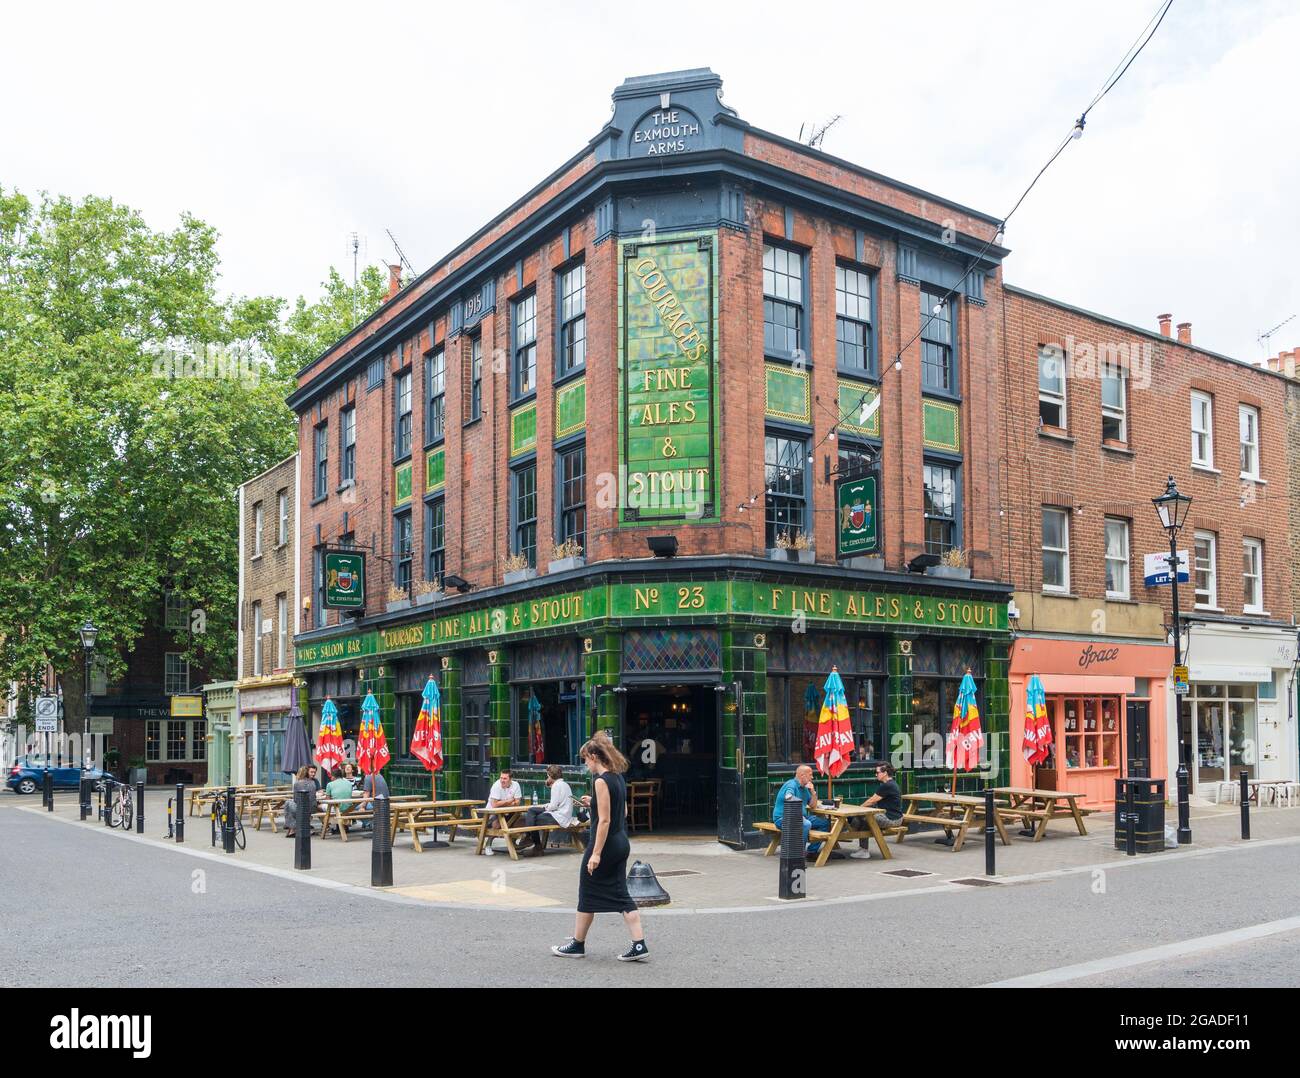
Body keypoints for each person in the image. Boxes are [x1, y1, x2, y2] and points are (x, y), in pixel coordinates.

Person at [552, 737, 648, 962]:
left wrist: (595, 853)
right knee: (622, 894)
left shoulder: (600, 781)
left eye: (585, 759)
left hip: (604, 845)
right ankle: (639, 944)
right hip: (621, 842)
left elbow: (604, 821)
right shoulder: (618, 777)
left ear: (594, 757)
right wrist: (592, 804)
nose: (586, 764)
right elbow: (621, 812)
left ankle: (577, 944)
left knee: (587, 891)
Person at [771, 764, 828, 855]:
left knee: (825, 823)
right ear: (802, 775)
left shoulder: (804, 788)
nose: (812, 777)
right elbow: (788, 797)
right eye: (810, 775)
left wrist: (813, 792)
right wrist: (799, 816)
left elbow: (813, 806)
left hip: (801, 817)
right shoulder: (791, 784)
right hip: (782, 819)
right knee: (806, 824)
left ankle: (811, 851)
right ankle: (798, 854)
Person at [522, 764, 574, 855]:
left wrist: (545, 807)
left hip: (559, 817)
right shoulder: (565, 784)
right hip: (565, 816)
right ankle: (529, 838)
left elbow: (553, 806)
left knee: (531, 816)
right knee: (532, 813)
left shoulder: (556, 786)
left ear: (550, 775)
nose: (547, 777)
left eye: (547, 775)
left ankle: (534, 844)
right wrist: (546, 806)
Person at [858, 762, 904, 854]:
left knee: (865, 818)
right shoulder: (890, 784)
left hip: (892, 819)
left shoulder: (887, 785)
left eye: (877, 772)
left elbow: (871, 801)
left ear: (885, 773)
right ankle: (862, 849)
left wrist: (858, 809)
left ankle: (863, 850)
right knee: (865, 819)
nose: (876, 774)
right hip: (895, 817)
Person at [483, 769, 523, 855]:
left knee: (522, 820)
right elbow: (494, 804)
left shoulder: (516, 785)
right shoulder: (496, 786)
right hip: (492, 814)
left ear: (510, 779)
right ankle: (488, 845)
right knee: (497, 825)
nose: (502, 780)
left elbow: (517, 802)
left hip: (510, 812)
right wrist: (509, 801)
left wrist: (502, 803)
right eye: (501, 778)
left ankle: (513, 842)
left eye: (505, 778)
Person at [283, 764, 320, 837]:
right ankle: (293, 829)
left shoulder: (297, 783)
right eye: (311, 772)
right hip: (313, 807)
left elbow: (296, 799)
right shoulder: (312, 783)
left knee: (288, 804)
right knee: (289, 804)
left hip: (304, 808)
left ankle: (292, 828)